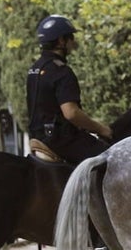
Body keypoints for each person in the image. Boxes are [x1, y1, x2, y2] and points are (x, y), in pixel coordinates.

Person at [26, 15, 112, 165]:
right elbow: (71, 113)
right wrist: (101, 129)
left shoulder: (34, 69)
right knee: (110, 159)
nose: (73, 42)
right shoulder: (61, 71)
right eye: (71, 37)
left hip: (37, 136)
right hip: (61, 140)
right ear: (61, 41)